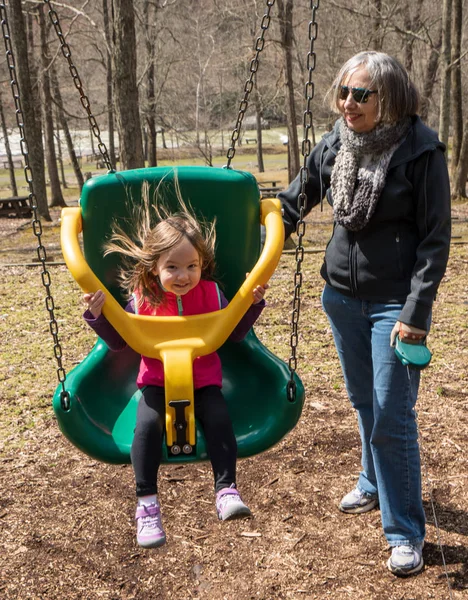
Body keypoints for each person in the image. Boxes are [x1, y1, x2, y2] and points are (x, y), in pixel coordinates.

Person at [278, 51, 451, 576]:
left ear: (390, 98)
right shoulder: (336, 142)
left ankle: (405, 533)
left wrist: (416, 313)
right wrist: (245, 244)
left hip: (395, 307)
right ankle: (374, 484)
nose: (347, 103)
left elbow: (435, 242)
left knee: (391, 418)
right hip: (342, 299)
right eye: (344, 92)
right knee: (363, 402)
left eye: (360, 94)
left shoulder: (420, 151)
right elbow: (294, 201)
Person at [83, 183, 269, 549]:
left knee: (218, 420)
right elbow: (120, 343)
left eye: (191, 266)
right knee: (147, 427)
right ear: (154, 268)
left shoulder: (212, 294)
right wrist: (98, 316)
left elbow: (234, 334)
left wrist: (252, 304)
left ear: (202, 265)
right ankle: (146, 504)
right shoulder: (142, 300)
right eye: (172, 267)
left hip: (204, 381)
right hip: (154, 383)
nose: (183, 276)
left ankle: (226, 489)